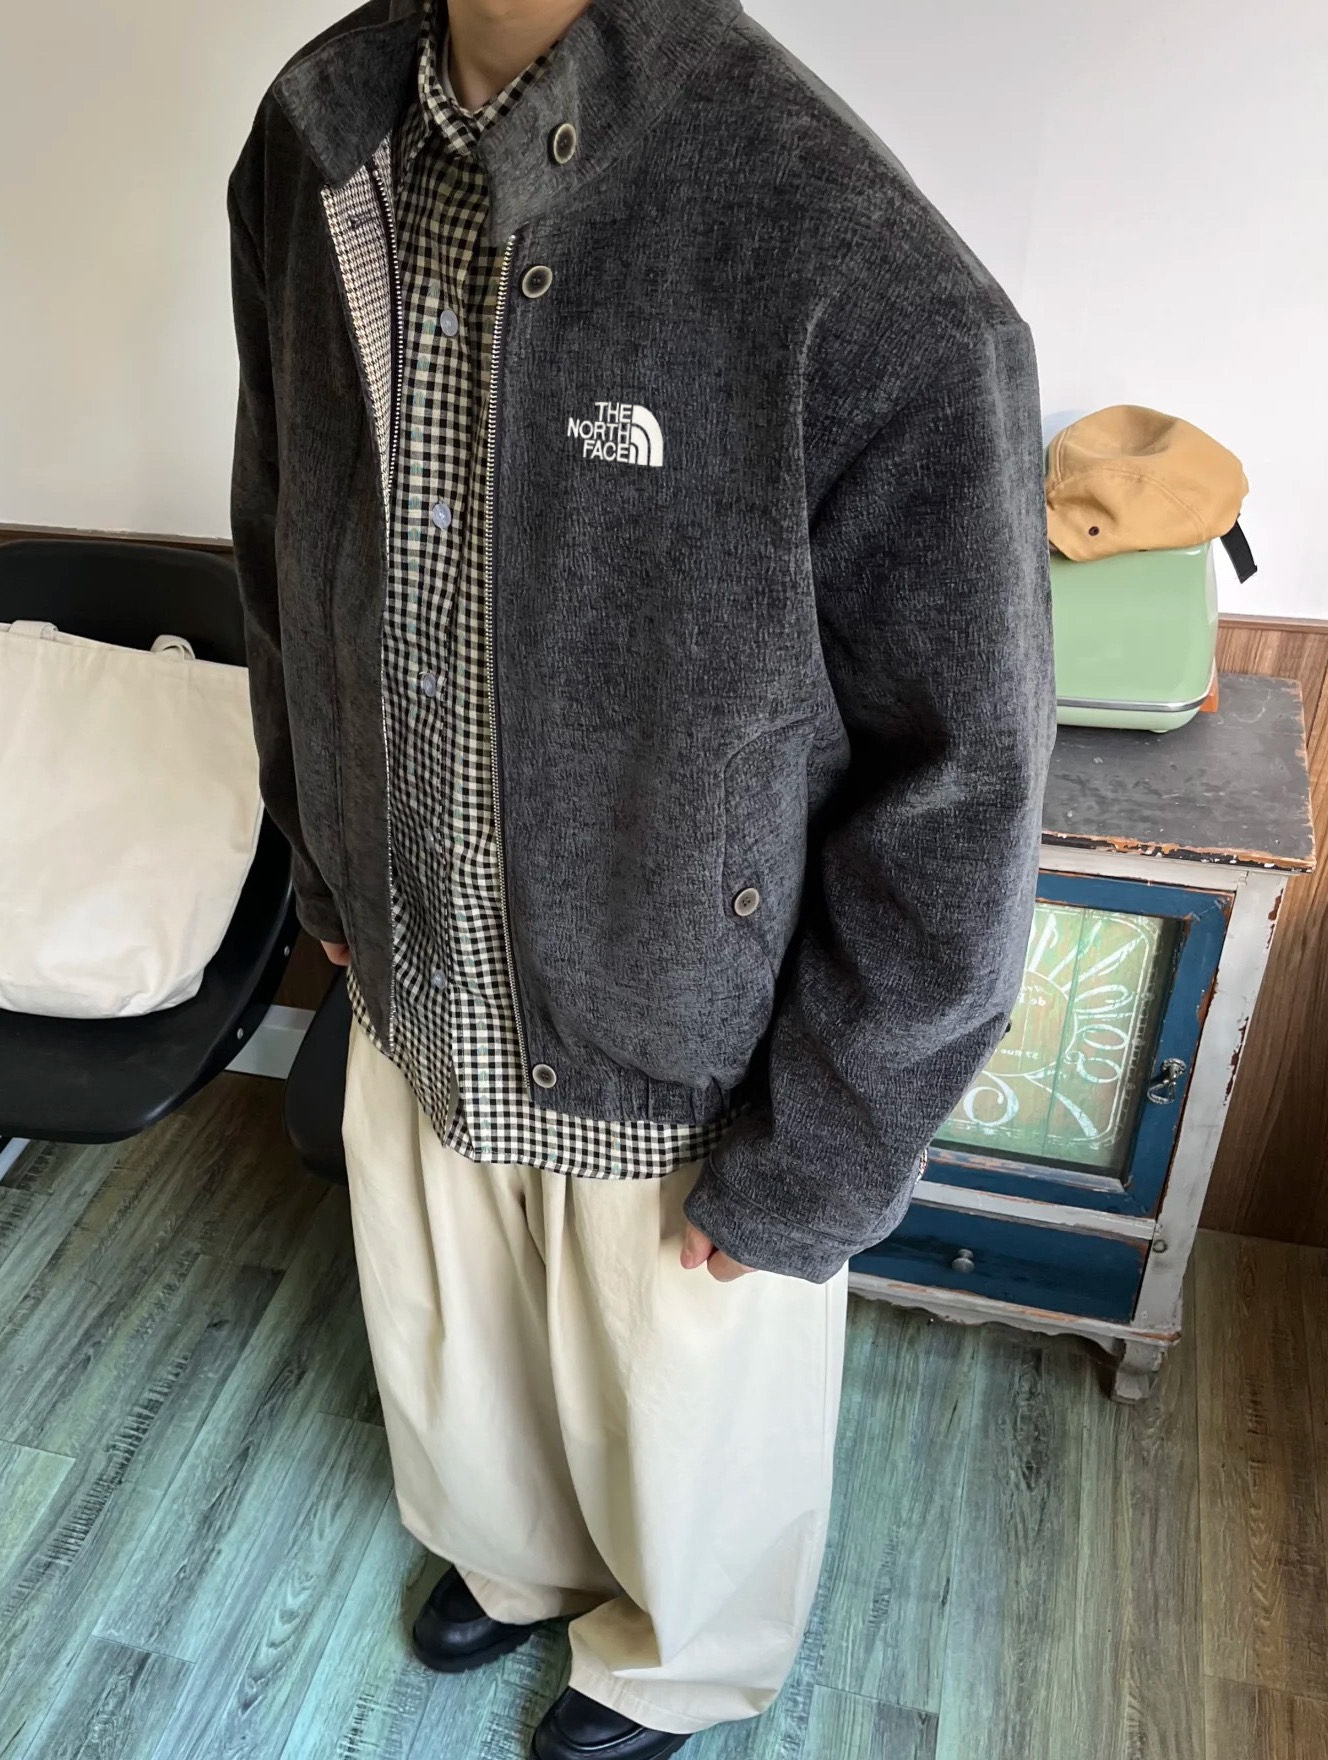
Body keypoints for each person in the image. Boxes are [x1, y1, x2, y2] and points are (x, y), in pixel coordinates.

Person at [226, 0, 1055, 1752]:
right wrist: (325, 850)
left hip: (681, 1018)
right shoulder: (315, 137)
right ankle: (517, 1559)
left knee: (682, 1403)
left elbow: (965, 791)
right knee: (456, 1343)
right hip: (420, 944)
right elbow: (281, 529)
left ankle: (677, 1657)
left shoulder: (850, 258)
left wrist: (821, 1158)